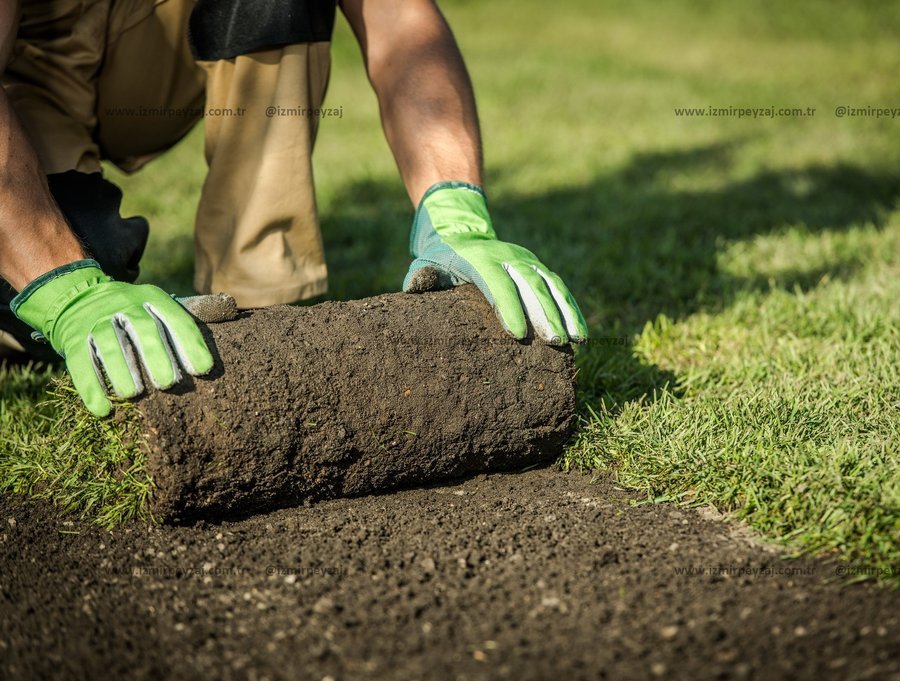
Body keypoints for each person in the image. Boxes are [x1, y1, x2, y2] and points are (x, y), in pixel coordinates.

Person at [0, 0, 587, 417]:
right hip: (23, 71)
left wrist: (456, 208)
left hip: (146, 44)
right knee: (68, 266)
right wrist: (64, 286)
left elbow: (401, 20)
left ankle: (262, 317)